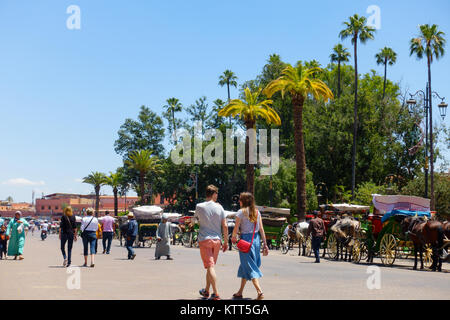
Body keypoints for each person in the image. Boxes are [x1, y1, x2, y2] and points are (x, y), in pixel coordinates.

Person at [231, 192, 268, 300]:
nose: (239, 201)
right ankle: (240, 292)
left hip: (245, 241)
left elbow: (236, 228)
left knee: (250, 267)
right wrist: (265, 244)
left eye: (240, 199)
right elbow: (261, 229)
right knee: (245, 266)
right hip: (255, 240)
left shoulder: (240, 212)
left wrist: (233, 237)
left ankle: (260, 292)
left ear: (244, 201)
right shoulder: (257, 212)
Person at [195, 185, 228, 300]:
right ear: (213, 194)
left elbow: (196, 220)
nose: (217, 196)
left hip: (205, 239)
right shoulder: (220, 208)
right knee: (211, 266)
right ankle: (206, 290)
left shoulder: (199, 206)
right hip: (217, 240)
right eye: (216, 194)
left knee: (210, 266)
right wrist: (226, 242)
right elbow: (225, 225)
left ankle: (216, 293)